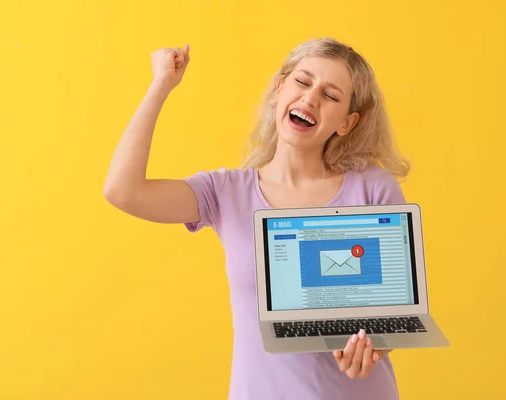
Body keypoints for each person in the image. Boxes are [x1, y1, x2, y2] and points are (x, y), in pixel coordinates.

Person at [104, 37, 410, 400]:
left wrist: (374, 346)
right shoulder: (225, 192)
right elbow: (123, 191)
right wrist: (161, 85)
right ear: (279, 88)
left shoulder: (373, 189)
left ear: (347, 122)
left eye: (331, 95)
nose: (310, 98)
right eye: (302, 81)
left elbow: (398, 316)